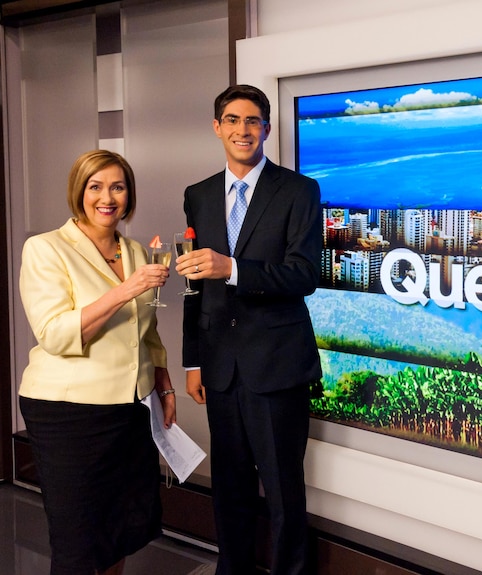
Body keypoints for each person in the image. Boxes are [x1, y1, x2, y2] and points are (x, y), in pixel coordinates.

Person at [175, 84, 322, 575]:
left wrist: (232, 268)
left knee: (283, 491)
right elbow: (194, 283)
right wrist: (192, 359)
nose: (243, 130)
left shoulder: (299, 190)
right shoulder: (197, 195)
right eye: (233, 120)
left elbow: (305, 274)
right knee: (230, 488)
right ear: (217, 127)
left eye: (253, 121)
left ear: (267, 129)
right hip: (219, 367)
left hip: (277, 366)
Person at [18, 149, 176, 575]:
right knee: (79, 541)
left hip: (130, 408)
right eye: (96, 186)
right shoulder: (46, 248)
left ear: (129, 195)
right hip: (68, 412)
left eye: (118, 187)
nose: (108, 197)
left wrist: (163, 384)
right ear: (79, 191)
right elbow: (55, 334)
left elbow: (147, 330)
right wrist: (125, 290)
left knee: (120, 531)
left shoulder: (137, 252)